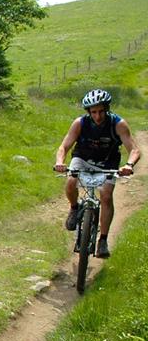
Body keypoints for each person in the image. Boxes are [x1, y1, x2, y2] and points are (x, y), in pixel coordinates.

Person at [53, 88, 140, 258]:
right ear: (88, 112)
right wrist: (59, 162)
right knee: (71, 182)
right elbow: (64, 146)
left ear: (107, 109)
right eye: (94, 112)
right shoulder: (80, 123)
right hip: (83, 159)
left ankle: (103, 240)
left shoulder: (118, 124)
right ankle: (74, 208)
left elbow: (134, 149)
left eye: (101, 111)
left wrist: (129, 165)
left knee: (106, 195)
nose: (98, 116)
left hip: (107, 162)